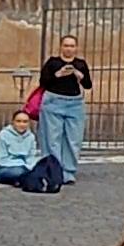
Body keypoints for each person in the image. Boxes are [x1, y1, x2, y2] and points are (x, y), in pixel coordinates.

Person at [38, 34, 91, 184]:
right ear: (61, 47)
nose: (69, 49)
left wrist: (79, 75)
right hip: (54, 101)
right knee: (52, 139)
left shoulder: (80, 64)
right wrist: (58, 74)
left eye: (72, 46)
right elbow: (43, 82)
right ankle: (54, 170)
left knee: (73, 139)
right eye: (66, 45)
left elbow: (88, 85)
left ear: (76, 48)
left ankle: (68, 172)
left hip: (75, 103)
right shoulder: (52, 63)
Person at [0, 109, 41, 186]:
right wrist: (23, 165)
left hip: (25, 167)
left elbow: (31, 157)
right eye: (18, 121)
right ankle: (24, 179)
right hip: (2, 169)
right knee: (19, 172)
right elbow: (1, 160)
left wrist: (30, 167)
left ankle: (21, 180)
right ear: (13, 122)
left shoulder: (31, 137)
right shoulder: (3, 135)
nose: (22, 124)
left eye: (25, 121)